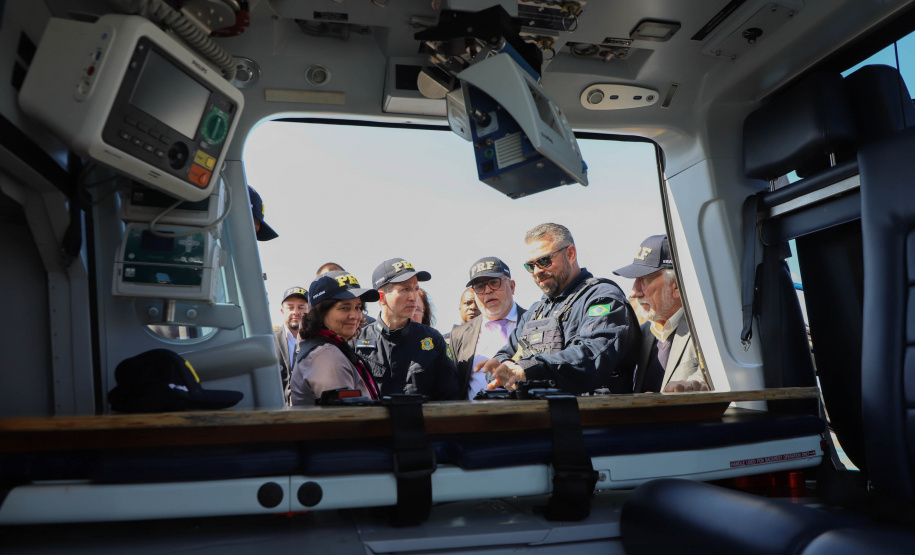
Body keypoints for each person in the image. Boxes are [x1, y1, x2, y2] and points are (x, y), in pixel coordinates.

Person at [476, 223, 640, 394]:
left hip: (595, 415)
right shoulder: (535, 312)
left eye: (544, 261)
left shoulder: (603, 298)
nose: (537, 271)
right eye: (530, 266)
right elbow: (508, 353)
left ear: (570, 254)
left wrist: (527, 367)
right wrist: (502, 365)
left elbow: (591, 355)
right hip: (547, 415)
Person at [613, 235, 710, 393]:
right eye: (635, 280)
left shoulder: (707, 330)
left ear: (677, 286)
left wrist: (693, 385)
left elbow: (713, 374)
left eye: (644, 280)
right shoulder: (640, 334)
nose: (634, 291)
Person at [357, 258, 461, 400]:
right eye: (405, 289)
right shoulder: (357, 341)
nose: (413, 297)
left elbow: (451, 397)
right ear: (382, 297)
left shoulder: (433, 339)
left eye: (416, 289)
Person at [289, 271, 381, 406]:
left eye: (358, 307)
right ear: (321, 313)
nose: (355, 315)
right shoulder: (326, 356)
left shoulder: (328, 349)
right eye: (345, 308)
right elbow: (348, 418)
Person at [449, 257, 526, 399]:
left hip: (527, 415)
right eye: (479, 286)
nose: (488, 291)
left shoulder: (534, 321)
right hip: (476, 418)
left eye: (494, 282)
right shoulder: (459, 334)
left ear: (512, 286)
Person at [273, 286, 308, 405]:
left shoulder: (318, 342)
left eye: (301, 307)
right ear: (282, 311)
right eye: (290, 307)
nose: (296, 312)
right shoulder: (269, 340)